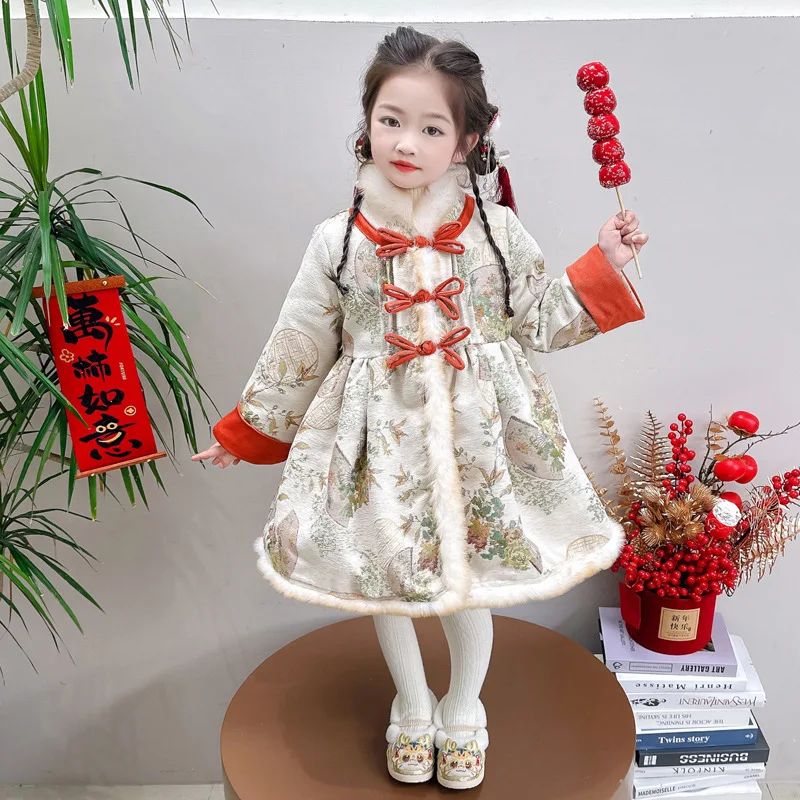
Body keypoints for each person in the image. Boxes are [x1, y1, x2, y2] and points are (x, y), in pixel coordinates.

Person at [193, 26, 648, 790]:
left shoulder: (497, 232)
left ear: (467, 141)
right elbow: (302, 337)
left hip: (481, 435)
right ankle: (411, 702)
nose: (407, 142)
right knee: (387, 571)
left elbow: (540, 318)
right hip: (375, 437)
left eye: (433, 128)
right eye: (391, 120)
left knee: (468, 571)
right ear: (368, 122)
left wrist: (606, 260)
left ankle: (464, 707)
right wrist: (248, 431)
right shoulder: (337, 240)